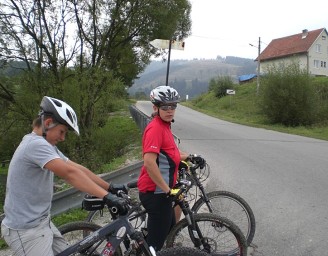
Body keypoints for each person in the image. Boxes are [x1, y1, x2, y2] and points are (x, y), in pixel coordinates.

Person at [1, 96, 129, 256]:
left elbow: (76, 168)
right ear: (48, 123)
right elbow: (70, 174)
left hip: (41, 223)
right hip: (26, 232)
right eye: (62, 131)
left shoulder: (46, 145)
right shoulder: (35, 145)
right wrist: (107, 197)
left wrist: (109, 187)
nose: (62, 137)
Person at [137, 85, 204, 251]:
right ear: (155, 107)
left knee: (169, 230)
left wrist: (190, 156)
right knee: (155, 245)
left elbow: (171, 153)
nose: (170, 110)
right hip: (155, 193)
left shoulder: (165, 126)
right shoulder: (155, 129)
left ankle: (144, 246)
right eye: (165, 107)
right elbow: (149, 162)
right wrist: (168, 190)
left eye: (173, 106)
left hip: (163, 192)